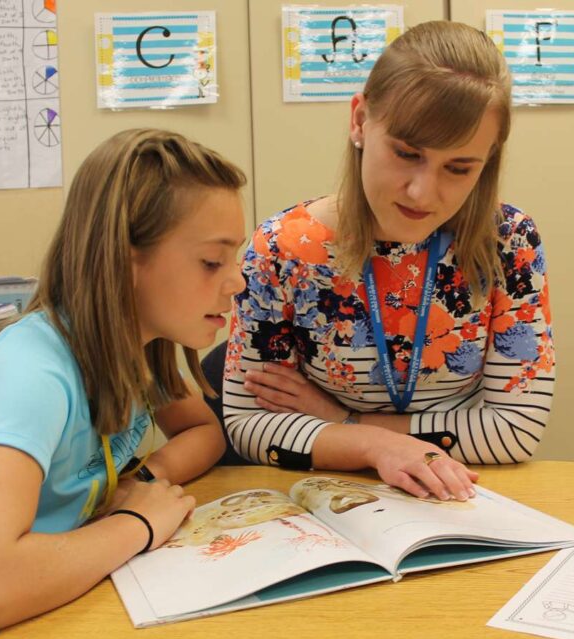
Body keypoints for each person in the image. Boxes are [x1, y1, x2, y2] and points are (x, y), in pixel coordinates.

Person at [0, 129, 248, 639]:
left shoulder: (139, 346)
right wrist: (137, 522)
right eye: (212, 261)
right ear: (124, 261)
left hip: (61, 612)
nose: (237, 282)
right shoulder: (31, 374)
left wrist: (143, 482)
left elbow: (203, 433)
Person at [223, 21, 554, 503]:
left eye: (459, 168)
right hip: (330, 497)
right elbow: (248, 424)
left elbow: (516, 430)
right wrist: (375, 446)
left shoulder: (509, 241)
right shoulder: (283, 248)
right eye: (406, 153)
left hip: (464, 495)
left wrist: (343, 421)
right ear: (360, 121)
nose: (422, 192)